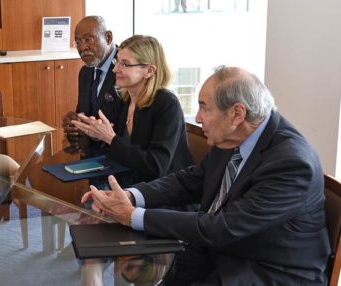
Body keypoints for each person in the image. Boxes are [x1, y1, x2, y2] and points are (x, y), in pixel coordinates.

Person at [82, 66, 331, 285]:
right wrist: (130, 196)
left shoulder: (291, 163)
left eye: (204, 108)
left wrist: (133, 216)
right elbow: (189, 180)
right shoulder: (234, 136)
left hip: (269, 270)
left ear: (237, 114)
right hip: (223, 251)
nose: (198, 118)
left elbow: (223, 226)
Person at [72, 35, 193, 185]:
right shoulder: (125, 99)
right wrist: (97, 132)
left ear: (149, 70)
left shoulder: (167, 104)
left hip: (165, 195)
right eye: (117, 61)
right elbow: (119, 150)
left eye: (125, 64)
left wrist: (110, 138)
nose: (115, 69)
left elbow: (156, 166)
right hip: (129, 187)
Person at [62, 15, 123, 146]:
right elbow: (83, 114)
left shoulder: (125, 68)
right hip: (89, 153)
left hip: (120, 156)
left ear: (108, 38)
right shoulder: (85, 72)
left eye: (88, 39)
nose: (82, 47)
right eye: (78, 42)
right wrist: (75, 124)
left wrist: (94, 131)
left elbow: (129, 126)